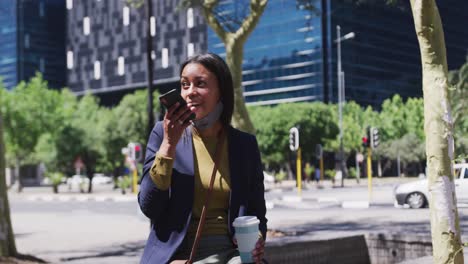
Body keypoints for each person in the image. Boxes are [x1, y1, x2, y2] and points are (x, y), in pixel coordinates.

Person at [138, 53, 267, 264]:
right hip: (179, 253)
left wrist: (258, 240)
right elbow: (149, 206)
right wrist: (169, 145)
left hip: (234, 252)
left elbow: (256, 212)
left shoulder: (244, 145)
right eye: (184, 85)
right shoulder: (162, 135)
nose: (190, 92)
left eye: (200, 84)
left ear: (221, 92)